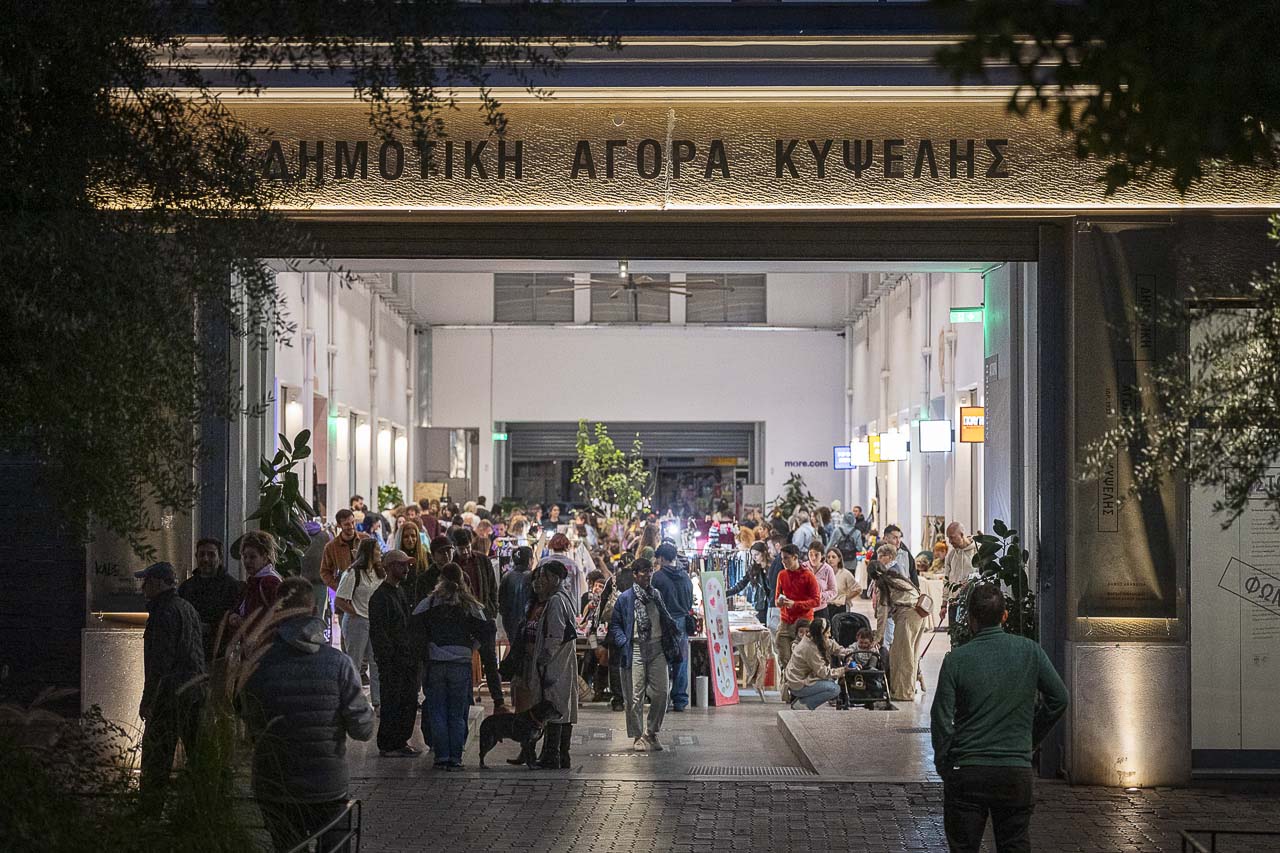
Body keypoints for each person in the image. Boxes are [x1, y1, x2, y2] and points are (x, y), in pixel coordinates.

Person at [931, 583, 1069, 853]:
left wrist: (945, 762)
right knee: (1014, 844)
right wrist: (1030, 738)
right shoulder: (1030, 651)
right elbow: (1059, 698)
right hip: (1014, 772)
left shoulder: (956, 660)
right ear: (1004, 616)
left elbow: (941, 718)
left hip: (967, 770)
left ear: (970, 618)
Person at [240, 576, 374, 851]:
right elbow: (362, 729)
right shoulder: (339, 664)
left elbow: (247, 716)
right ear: (314, 610)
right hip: (327, 784)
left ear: (276, 611)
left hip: (275, 783)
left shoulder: (258, 664)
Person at [412, 562, 506, 770]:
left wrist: (425, 653)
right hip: (460, 664)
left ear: (440, 580)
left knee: (437, 711)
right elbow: (487, 630)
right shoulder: (471, 605)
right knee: (457, 712)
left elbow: (414, 629)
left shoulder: (429, 603)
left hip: (435, 664)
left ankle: (441, 756)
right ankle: (455, 757)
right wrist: (472, 647)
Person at [136, 561, 207, 815]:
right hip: (194, 692)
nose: (143, 587)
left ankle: (150, 811)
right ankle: (198, 810)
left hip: (169, 696)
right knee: (197, 755)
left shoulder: (163, 613)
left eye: (146, 582)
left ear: (158, 582)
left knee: (157, 755)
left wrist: (148, 700)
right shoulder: (187, 608)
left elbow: (159, 663)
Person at [607, 558, 682, 752]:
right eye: (644, 572)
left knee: (662, 693)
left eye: (650, 571)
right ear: (635, 574)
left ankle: (652, 732)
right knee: (634, 696)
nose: (648, 575)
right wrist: (623, 641)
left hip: (657, 648)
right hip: (635, 649)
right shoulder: (625, 598)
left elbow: (665, 618)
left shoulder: (656, 595)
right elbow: (615, 625)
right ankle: (638, 735)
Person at [368, 549, 420, 758]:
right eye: (401, 565)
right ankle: (389, 743)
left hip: (406, 659)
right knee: (392, 701)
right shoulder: (380, 597)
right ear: (389, 567)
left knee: (407, 702)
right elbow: (379, 632)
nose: (406, 569)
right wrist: (388, 658)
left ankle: (400, 741)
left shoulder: (400, 592)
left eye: (407, 565)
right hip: (393, 661)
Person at [530, 558, 579, 768]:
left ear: (555, 578)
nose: (542, 580)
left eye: (545, 576)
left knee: (554, 706)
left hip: (556, 662)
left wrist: (545, 656)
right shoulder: (564, 597)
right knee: (563, 706)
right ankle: (561, 755)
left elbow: (555, 634)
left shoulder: (557, 601)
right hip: (563, 661)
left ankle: (553, 755)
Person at [871, 543, 927, 702]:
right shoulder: (895, 574)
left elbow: (882, 613)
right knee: (911, 655)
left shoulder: (884, 582)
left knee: (901, 656)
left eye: (881, 556)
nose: (879, 558)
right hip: (918, 613)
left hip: (907, 616)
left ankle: (902, 693)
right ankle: (908, 690)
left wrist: (878, 637)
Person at [336, 538, 384, 711]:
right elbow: (340, 600)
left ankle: (378, 702)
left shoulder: (379, 573)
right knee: (355, 662)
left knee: (376, 662)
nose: (380, 552)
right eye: (377, 549)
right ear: (369, 552)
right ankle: (351, 702)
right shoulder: (352, 573)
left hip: (374, 621)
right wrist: (356, 612)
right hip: (356, 622)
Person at [178, 537, 244, 661]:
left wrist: (210, 628)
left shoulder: (232, 587)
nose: (206, 559)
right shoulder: (186, 587)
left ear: (220, 558)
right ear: (196, 557)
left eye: (211, 554)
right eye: (202, 554)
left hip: (220, 656)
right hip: (190, 656)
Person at [650, 541, 694, 712]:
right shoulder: (686, 577)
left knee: (663, 661)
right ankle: (680, 700)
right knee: (681, 661)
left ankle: (664, 700)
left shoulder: (657, 577)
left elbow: (652, 601)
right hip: (682, 621)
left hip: (664, 622)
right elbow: (690, 602)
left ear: (661, 558)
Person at [782, 616, 851, 710]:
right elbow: (824, 673)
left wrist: (846, 653)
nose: (829, 635)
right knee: (834, 689)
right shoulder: (809, 648)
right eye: (827, 632)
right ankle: (803, 704)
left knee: (830, 681)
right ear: (820, 634)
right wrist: (843, 670)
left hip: (799, 679)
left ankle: (803, 699)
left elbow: (831, 644)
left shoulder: (813, 638)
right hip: (798, 684)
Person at [774, 544, 822, 672]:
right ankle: (787, 678)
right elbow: (776, 598)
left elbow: (816, 601)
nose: (783, 562)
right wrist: (779, 602)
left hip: (803, 621)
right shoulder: (782, 575)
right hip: (785, 621)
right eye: (782, 559)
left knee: (802, 660)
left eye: (786, 558)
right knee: (783, 655)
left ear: (795, 557)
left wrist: (795, 604)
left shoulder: (808, 576)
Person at [598, 563, 634, 712]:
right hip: (633, 627)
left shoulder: (613, 580)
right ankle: (633, 697)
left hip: (615, 627)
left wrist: (596, 625)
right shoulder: (638, 580)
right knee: (634, 662)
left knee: (615, 664)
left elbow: (602, 603)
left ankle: (618, 700)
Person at [450, 526, 498, 619]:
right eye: (461, 549)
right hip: (461, 614)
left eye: (468, 547)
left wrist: (494, 608)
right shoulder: (452, 564)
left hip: (483, 610)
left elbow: (493, 586)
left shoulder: (483, 560)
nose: (465, 552)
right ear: (454, 547)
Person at [235, 530, 284, 620]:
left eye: (253, 557)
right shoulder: (253, 581)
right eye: (245, 557)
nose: (247, 561)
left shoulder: (270, 582)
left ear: (265, 557)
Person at [320, 508, 368, 591]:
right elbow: (325, 572)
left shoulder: (366, 539)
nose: (351, 526)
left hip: (366, 590)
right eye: (347, 524)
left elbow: (376, 562)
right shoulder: (331, 546)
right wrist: (338, 587)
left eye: (353, 522)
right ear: (339, 525)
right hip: (345, 590)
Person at [727, 541, 772, 625]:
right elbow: (741, 584)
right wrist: (726, 593)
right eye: (752, 555)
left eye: (757, 554)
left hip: (772, 604)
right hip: (760, 605)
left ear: (764, 553)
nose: (754, 557)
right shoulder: (753, 569)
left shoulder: (772, 567)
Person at [824, 547, 861, 618]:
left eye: (833, 557)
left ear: (839, 559)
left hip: (841, 607)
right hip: (827, 607)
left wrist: (845, 598)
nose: (830, 559)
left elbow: (858, 589)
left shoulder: (845, 573)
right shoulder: (823, 574)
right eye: (828, 557)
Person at [944, 522, 979, 590]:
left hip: (974, 594)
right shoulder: (951, 554)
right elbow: (946, 580)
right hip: (953, 596)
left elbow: (984, 575)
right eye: (948, 538)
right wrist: (945, 596)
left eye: (952, 537)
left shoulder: (978, 551)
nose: (950, 541)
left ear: (962, 535)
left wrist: (971, 580)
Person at [808, 541, 838, 621]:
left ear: (822, 556)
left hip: (821, 610)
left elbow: (834, 591)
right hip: (805, 609)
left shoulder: (828, 569)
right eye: (811, 554)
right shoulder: (803, 567)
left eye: (816, 555)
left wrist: (821, 596)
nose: (813, 558)